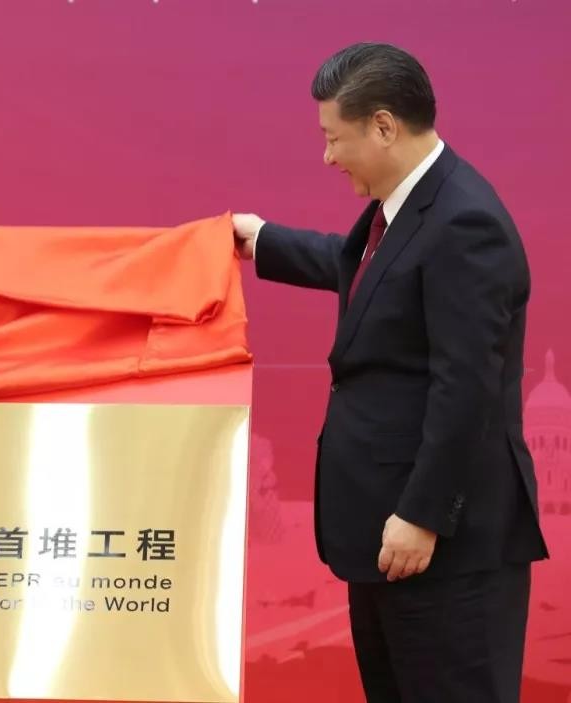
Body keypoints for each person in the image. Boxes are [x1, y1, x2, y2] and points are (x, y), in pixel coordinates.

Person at [232, 43, 548, 703]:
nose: (328, 157)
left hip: (442, 550)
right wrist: (261, 239)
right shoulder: (413, 204)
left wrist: (423, 515)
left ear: (383, 126)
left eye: (333, 138)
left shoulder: (465, 221)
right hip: (393, 540)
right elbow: (367, 270)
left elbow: (467, 386)